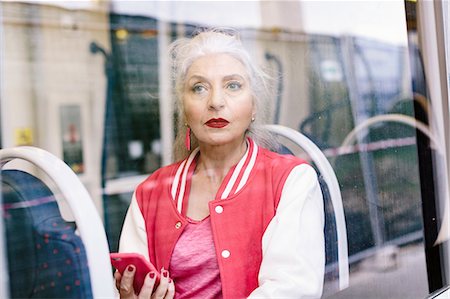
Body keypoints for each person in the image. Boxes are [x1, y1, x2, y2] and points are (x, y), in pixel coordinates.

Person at [114, 28, 325, 299]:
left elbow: (292, 290)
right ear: (184, 109)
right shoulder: (150, 193)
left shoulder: (292, 181)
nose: (215, 102)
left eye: (233, 85)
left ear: (254, 106)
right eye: (199, 88)